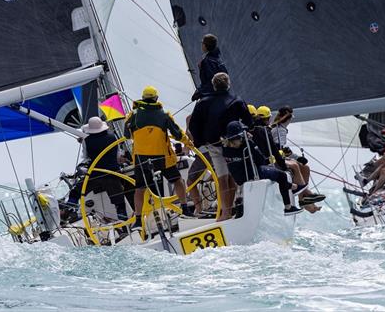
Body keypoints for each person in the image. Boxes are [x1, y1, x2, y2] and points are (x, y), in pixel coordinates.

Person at [187, 72, 254, 221]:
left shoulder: (203, 102)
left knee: (222, 179)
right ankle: (232, 209)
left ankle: (225, 213)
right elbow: (249, 122)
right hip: (233, 144)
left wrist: (199, 142)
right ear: (228, 84)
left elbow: (193, 124)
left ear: (214, 85)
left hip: (214, 145)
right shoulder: (237, 100)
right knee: (231, 177)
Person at [124, 86, 193, 221]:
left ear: (143, 99)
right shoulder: (164, 114)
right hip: (163, 158)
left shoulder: (132, 116)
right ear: (156, 99)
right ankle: (185, 208)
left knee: (140, 189)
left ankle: (138, 219)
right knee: (177, 181)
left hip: (141, 159)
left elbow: (127, 136)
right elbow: (178, 134)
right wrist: (189, 143)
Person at [221, 121, 303, 215]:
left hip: (239, 178)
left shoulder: (225, 149)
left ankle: (292, 186)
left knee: (276, 176)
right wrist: (251, 143)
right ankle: (288, 207)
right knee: (282, 175)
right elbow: (261, 161)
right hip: (253, 174)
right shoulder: (247, 146)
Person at [79, 116, 130, 220]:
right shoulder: (112, 137)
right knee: (119, 202)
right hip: (112, 173)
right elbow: (117, 155)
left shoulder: (86, 141)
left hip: (95, 174)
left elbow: (86, 157)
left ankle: (70, 205)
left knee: (77, 191)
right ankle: (125, 224)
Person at [192, 34, 228, 100]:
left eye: (202, 43)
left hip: (212, 97)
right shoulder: (217, 59)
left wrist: (199, 92)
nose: (201, 45)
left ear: (205, 46)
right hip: (222, 96)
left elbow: (211, 82)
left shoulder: (208, 61)